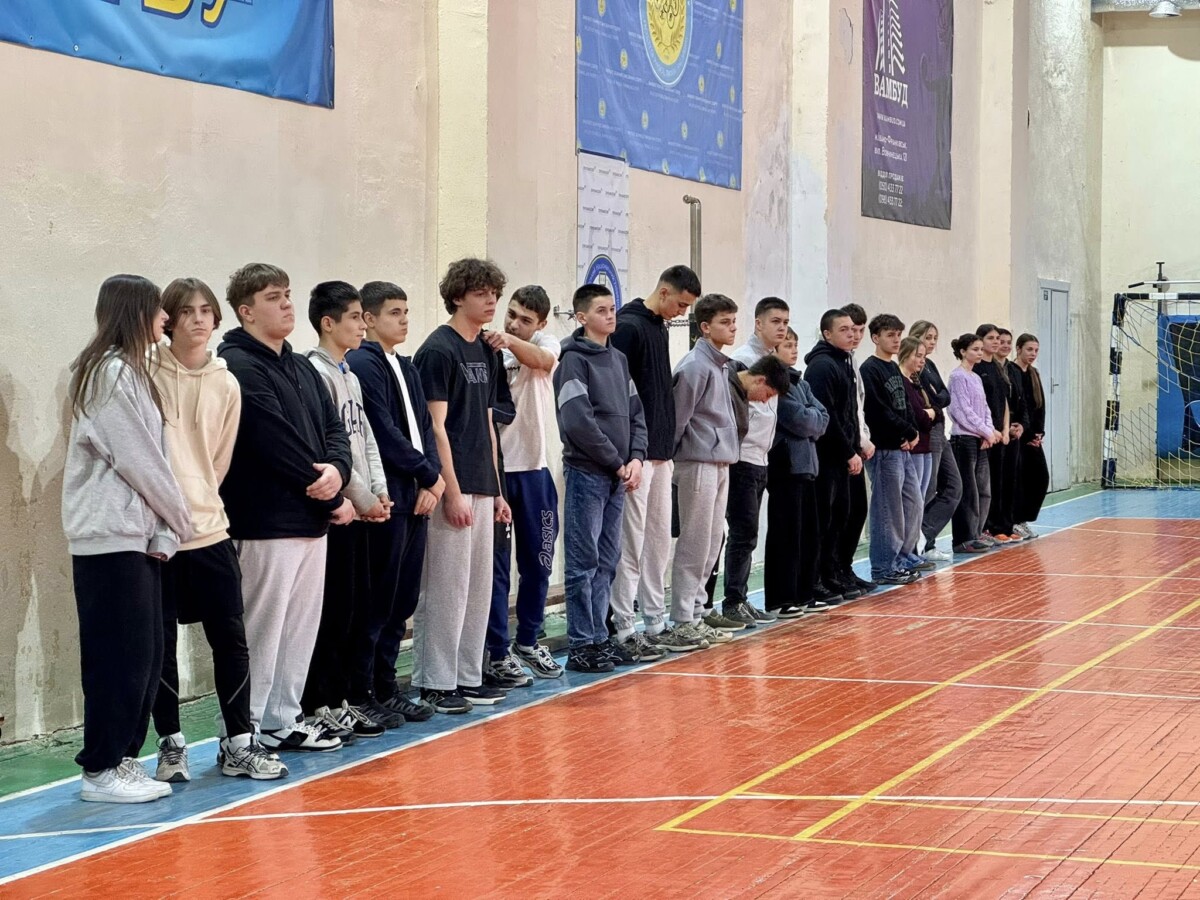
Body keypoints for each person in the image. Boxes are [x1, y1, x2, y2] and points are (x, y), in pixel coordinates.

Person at [64, 274, 193, 803]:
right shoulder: (108, 372)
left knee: (146, 653)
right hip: (108, 539)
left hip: (135, 538)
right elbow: (139, 460)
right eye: (158, 309)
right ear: (134, 312)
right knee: (118, 657)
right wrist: (182, 519)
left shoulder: (133, 371)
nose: (166, 317)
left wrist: (164, 530)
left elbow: (153, 458)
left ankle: (121, 759)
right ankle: (100, 769)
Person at [151, 277, 285, 784]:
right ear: (169, 320)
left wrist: (200, 499)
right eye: (187, 311)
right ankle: (171, 744)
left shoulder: (226, 383)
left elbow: (219, 461)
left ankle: (239, 743)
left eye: (206, 310)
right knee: (160, 643)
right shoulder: (145, 373)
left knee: (230, 637)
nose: (198, 319)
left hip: (210, 529)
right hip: (157, 535)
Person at [219, 264, 353, 753]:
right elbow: (270, 438)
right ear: (247, 311)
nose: (287, 304)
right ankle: (243, 731)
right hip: (264, 522)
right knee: (262, 631)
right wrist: (329, 489)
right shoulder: (237, 364)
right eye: (274, 297)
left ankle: (282, 718)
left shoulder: (300, 366)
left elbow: (335, 429)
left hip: (311, 520)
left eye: (288, 294)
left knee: (299, 628)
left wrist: (338, 469)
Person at [412, 258, 512, 713]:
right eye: (480, 293)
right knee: (446, 588)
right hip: (452, 484)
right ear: (457, 297)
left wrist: (498, 490)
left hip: (483, 483)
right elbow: (436, 428)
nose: (491, 301)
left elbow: (489, 424)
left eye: (494, 293)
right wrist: (451, 491)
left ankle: (468, 675)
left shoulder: (487, 350)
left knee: (477, 588)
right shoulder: (438, 350)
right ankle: (436, 681)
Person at [300, 282, 395, 739]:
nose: (362, 325)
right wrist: (361, 498)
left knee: (355, 610)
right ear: (328, 323)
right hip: (338, 511)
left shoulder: (350, 375)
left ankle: (341, 700)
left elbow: (366, 440)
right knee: (332, 612)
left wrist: (380, 489)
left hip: (362, 508)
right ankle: (317, 702)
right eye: (355, 317)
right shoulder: (314, 373)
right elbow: (330, 448)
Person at [345, 282, 440, 723]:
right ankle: (362, 691)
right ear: (368, 319)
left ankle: (387, 686)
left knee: (402, 601)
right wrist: (427, 474)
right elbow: (382, 431)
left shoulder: (405, 364)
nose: (403, 320)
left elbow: (425, 426)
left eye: (406, 311)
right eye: (394, 313)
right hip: (388, 498)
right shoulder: (364, 363)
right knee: (377, 602)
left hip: (416, 495)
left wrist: (432, 480)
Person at [555, 283, 648, 672]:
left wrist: (637, 458)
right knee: (584, 562)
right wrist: (615, 461)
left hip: (618, 476)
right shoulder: (573, 361)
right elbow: (578, 421)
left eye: (612, 309)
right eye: (601, 310)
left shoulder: (619, 359)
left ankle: (599, 637)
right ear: (581, 317)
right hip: (588, 473)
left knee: (609, 559)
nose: (610, 316)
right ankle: (581, 644)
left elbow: (636, 413)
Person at [609, 265, 700, 651]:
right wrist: (632, 451)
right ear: (664, 292)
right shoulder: (628, 327)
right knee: (632, 542)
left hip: (662, 452)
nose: (682, 312)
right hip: (637, 455)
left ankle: (654, 620)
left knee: (659, 540)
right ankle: (623, 625)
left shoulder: (659, 327)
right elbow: (619, 395)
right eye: (681, 304)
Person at [482, 285, 565, 681]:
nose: (514, 323)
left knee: (539, 562)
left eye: (525, 320)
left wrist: (509, 339)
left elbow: (542, 360)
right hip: (496, 473)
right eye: (511, 314)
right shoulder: (486, 351)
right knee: (497, 570)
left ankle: (528, 642)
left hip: (534, 470)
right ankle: (497, 652)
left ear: (541, 324)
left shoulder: (544, 344)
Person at [667, 294, 743, 648]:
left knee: (712, 541)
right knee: (694, 542)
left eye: (733, 321)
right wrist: (675, 458)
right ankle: (682, 617)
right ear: (705, 327)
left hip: (720, 461)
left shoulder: (721, 365)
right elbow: (678, 418)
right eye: (725, 322)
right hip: (697, 462)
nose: (732, 327)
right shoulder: (694, 366)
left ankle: (697, 611)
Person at [722, 297, 792, 627]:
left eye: (785, 322)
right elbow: (738, 412)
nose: (782, 328)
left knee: (749, 534)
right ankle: (731, 601)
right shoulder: (743, 360)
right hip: (742, 459)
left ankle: (740, 597)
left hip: (761, 458)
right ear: (758, 323)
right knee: (742, 532)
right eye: (775, 321)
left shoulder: (774, 361)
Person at [804, 309, 867, 606]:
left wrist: (856, 445)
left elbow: (851, 413)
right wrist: (847, 451)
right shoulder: (822, 366)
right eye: (844, 330)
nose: (851, 334)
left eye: (853, 329)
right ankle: (818, 577)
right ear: (827, 334)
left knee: (843, 516)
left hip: (844, 455)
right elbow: (827, 417)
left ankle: (836, 571)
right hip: (827, 457)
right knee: (825, 520)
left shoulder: (844, 362)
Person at [765, 327, 829, 617]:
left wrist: (811, 421)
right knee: (786, 533)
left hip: (808, 466)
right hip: (786, 465)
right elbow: (799, 419)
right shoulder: (777, 383)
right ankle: (781, 598)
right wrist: (811, 422)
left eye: (795, 344)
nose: (793, 350)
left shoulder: (800, 382)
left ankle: (804, 593)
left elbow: (822, 416)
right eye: (787, 345)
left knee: (808, 533)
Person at [859, 314, 921, 585]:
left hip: (902, 448)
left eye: (898, 335)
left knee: (913, 503)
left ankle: (902, 557)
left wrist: (912, 431)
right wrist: (905, 431)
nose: (896, 340)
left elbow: (905, 404)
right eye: (890, 335)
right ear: (876, 338)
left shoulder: (894, 367)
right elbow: (877, 410)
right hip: (885, 449)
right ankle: (884, 566)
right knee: (888, 509)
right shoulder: (869, 369)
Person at [909, 321, 961, 562]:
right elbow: (927, 399)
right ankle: (917, 545)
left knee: (954, 487)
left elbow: (943, 395)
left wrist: (936, 399)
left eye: (934, 338)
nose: (931, 342)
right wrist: (935, 399)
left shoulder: (929, 365)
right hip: (928, 432)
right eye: (927, 337)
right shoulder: (914, 368)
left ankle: (925, 537)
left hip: (941, 429)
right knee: (927, 490)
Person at [948, 333, 1003, 553]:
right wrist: (986, 432)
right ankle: (964, 538)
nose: (980, 353)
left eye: (981, 349)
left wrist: (989, 430)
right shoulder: (957, 377)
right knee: (968, 491)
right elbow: (962, 410)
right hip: (964, 439)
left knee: (983, 490)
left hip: (980, 438)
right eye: (975, 349)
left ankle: (977, 532)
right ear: (963, 351)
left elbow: (985, 408)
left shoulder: (976, 377)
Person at [840, 303, 878, 595]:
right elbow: (839, 413)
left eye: (860, 330)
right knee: (842, 516)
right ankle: (834, 572)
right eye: (850, 329)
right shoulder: (832, 363)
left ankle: (845, 568)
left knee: (857, 513)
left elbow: (858, 409)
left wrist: (864, 437)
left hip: (857, 446)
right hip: (842, 451)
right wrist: (851, 446)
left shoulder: (852, 361)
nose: (856, 335)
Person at [973, 324, 1020, 545]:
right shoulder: (977, 368)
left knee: (1003, 481)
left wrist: (1005, 428)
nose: (996, 342)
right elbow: (979, 405)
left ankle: (1003, 525)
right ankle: (988, 526)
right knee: (987, 484)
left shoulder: (998, 367)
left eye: (997, 338)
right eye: (990, 338)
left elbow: (1004, 402)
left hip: (1001, 434)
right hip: (985, 435)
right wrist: (988, 430)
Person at [897, 337, 936, 571]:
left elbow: (936, 411)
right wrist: (929, 414)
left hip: (925, 446)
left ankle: (912, 550)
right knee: (911, 503)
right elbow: (919, 416)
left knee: (919, 501)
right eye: (917, 356)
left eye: (923, 357)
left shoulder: (916, 382)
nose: (921, 361)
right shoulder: (902, 382)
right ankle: (905, 552)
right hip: (914, 448)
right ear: (905, 354)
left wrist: (931, 413)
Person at [1012, 333, 1049, 537]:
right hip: (1019, 436)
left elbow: (1039, 406)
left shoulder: (1034, 373)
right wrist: (1025, 434)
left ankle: (1025, 518)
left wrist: (1039, 433)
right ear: (1018, 349)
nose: (1033, 354)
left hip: (1033, 437)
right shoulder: (1012, 371)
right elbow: (1018, 407)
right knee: (1020, 481)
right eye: (1029, 349)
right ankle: (1015, 520)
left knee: (1041, 477)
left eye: (1036, 350)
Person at [995, 328, 1028, 543]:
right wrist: (1003, 428)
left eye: (1008, 342)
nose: (1005, 345)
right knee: (997, 482)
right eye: (1001, 341)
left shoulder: (1013, 369)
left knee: (1011, 481)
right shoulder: (988, 368)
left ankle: (1008, 525)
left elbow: (1022, 400)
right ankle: (995, 526)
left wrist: (1022, 425)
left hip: (1014, 431)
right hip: (998, 431)